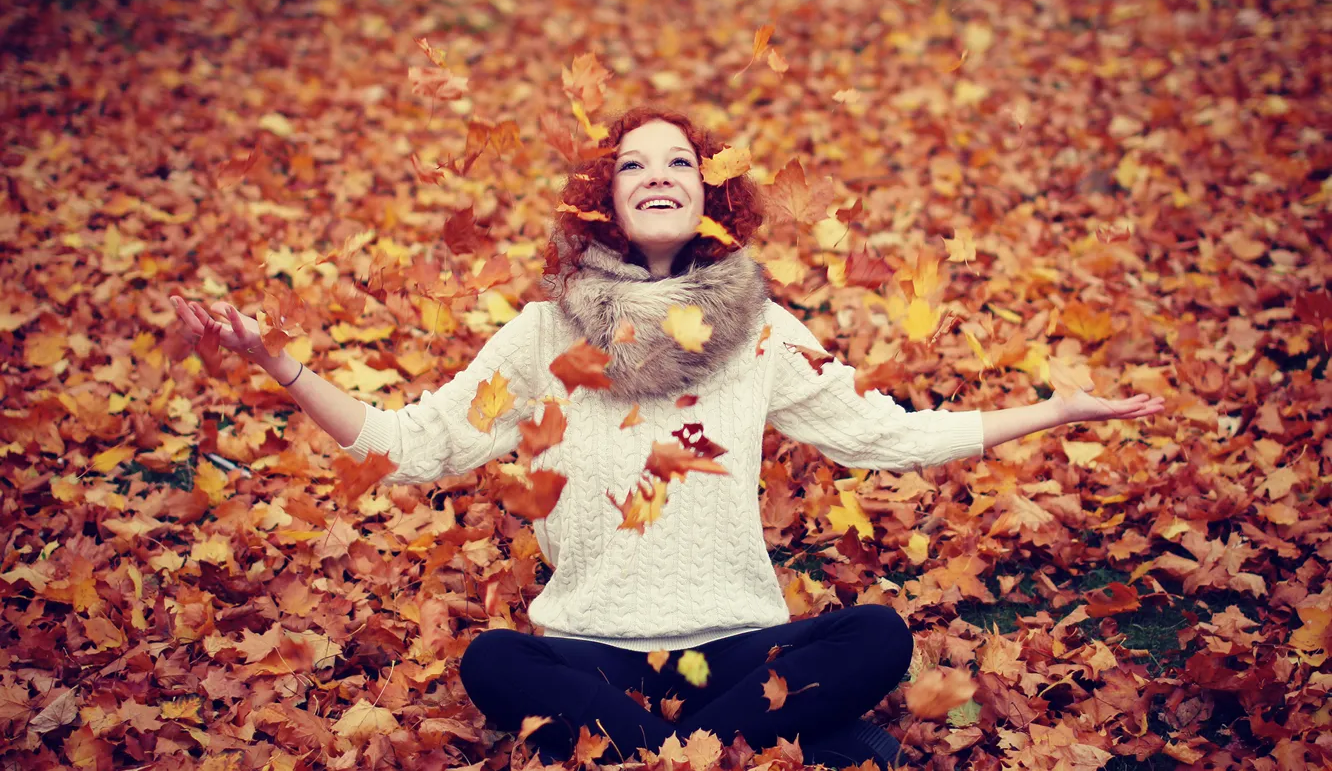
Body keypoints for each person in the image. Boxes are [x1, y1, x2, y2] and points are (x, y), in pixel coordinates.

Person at [171, 106, 1164, 768]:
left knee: (878, 636)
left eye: (679, 161)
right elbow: (409, 447)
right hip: (594, 655)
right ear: (604, 200)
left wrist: (1053, 413)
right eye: (632, 164)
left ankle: (657, 753)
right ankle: (739, 751)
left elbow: (881, 437)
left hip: (735, 648)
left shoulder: (764, 332)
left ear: (709, 195)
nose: (657, 174)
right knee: (493, 663)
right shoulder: (543, 334)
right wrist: (281, 365)